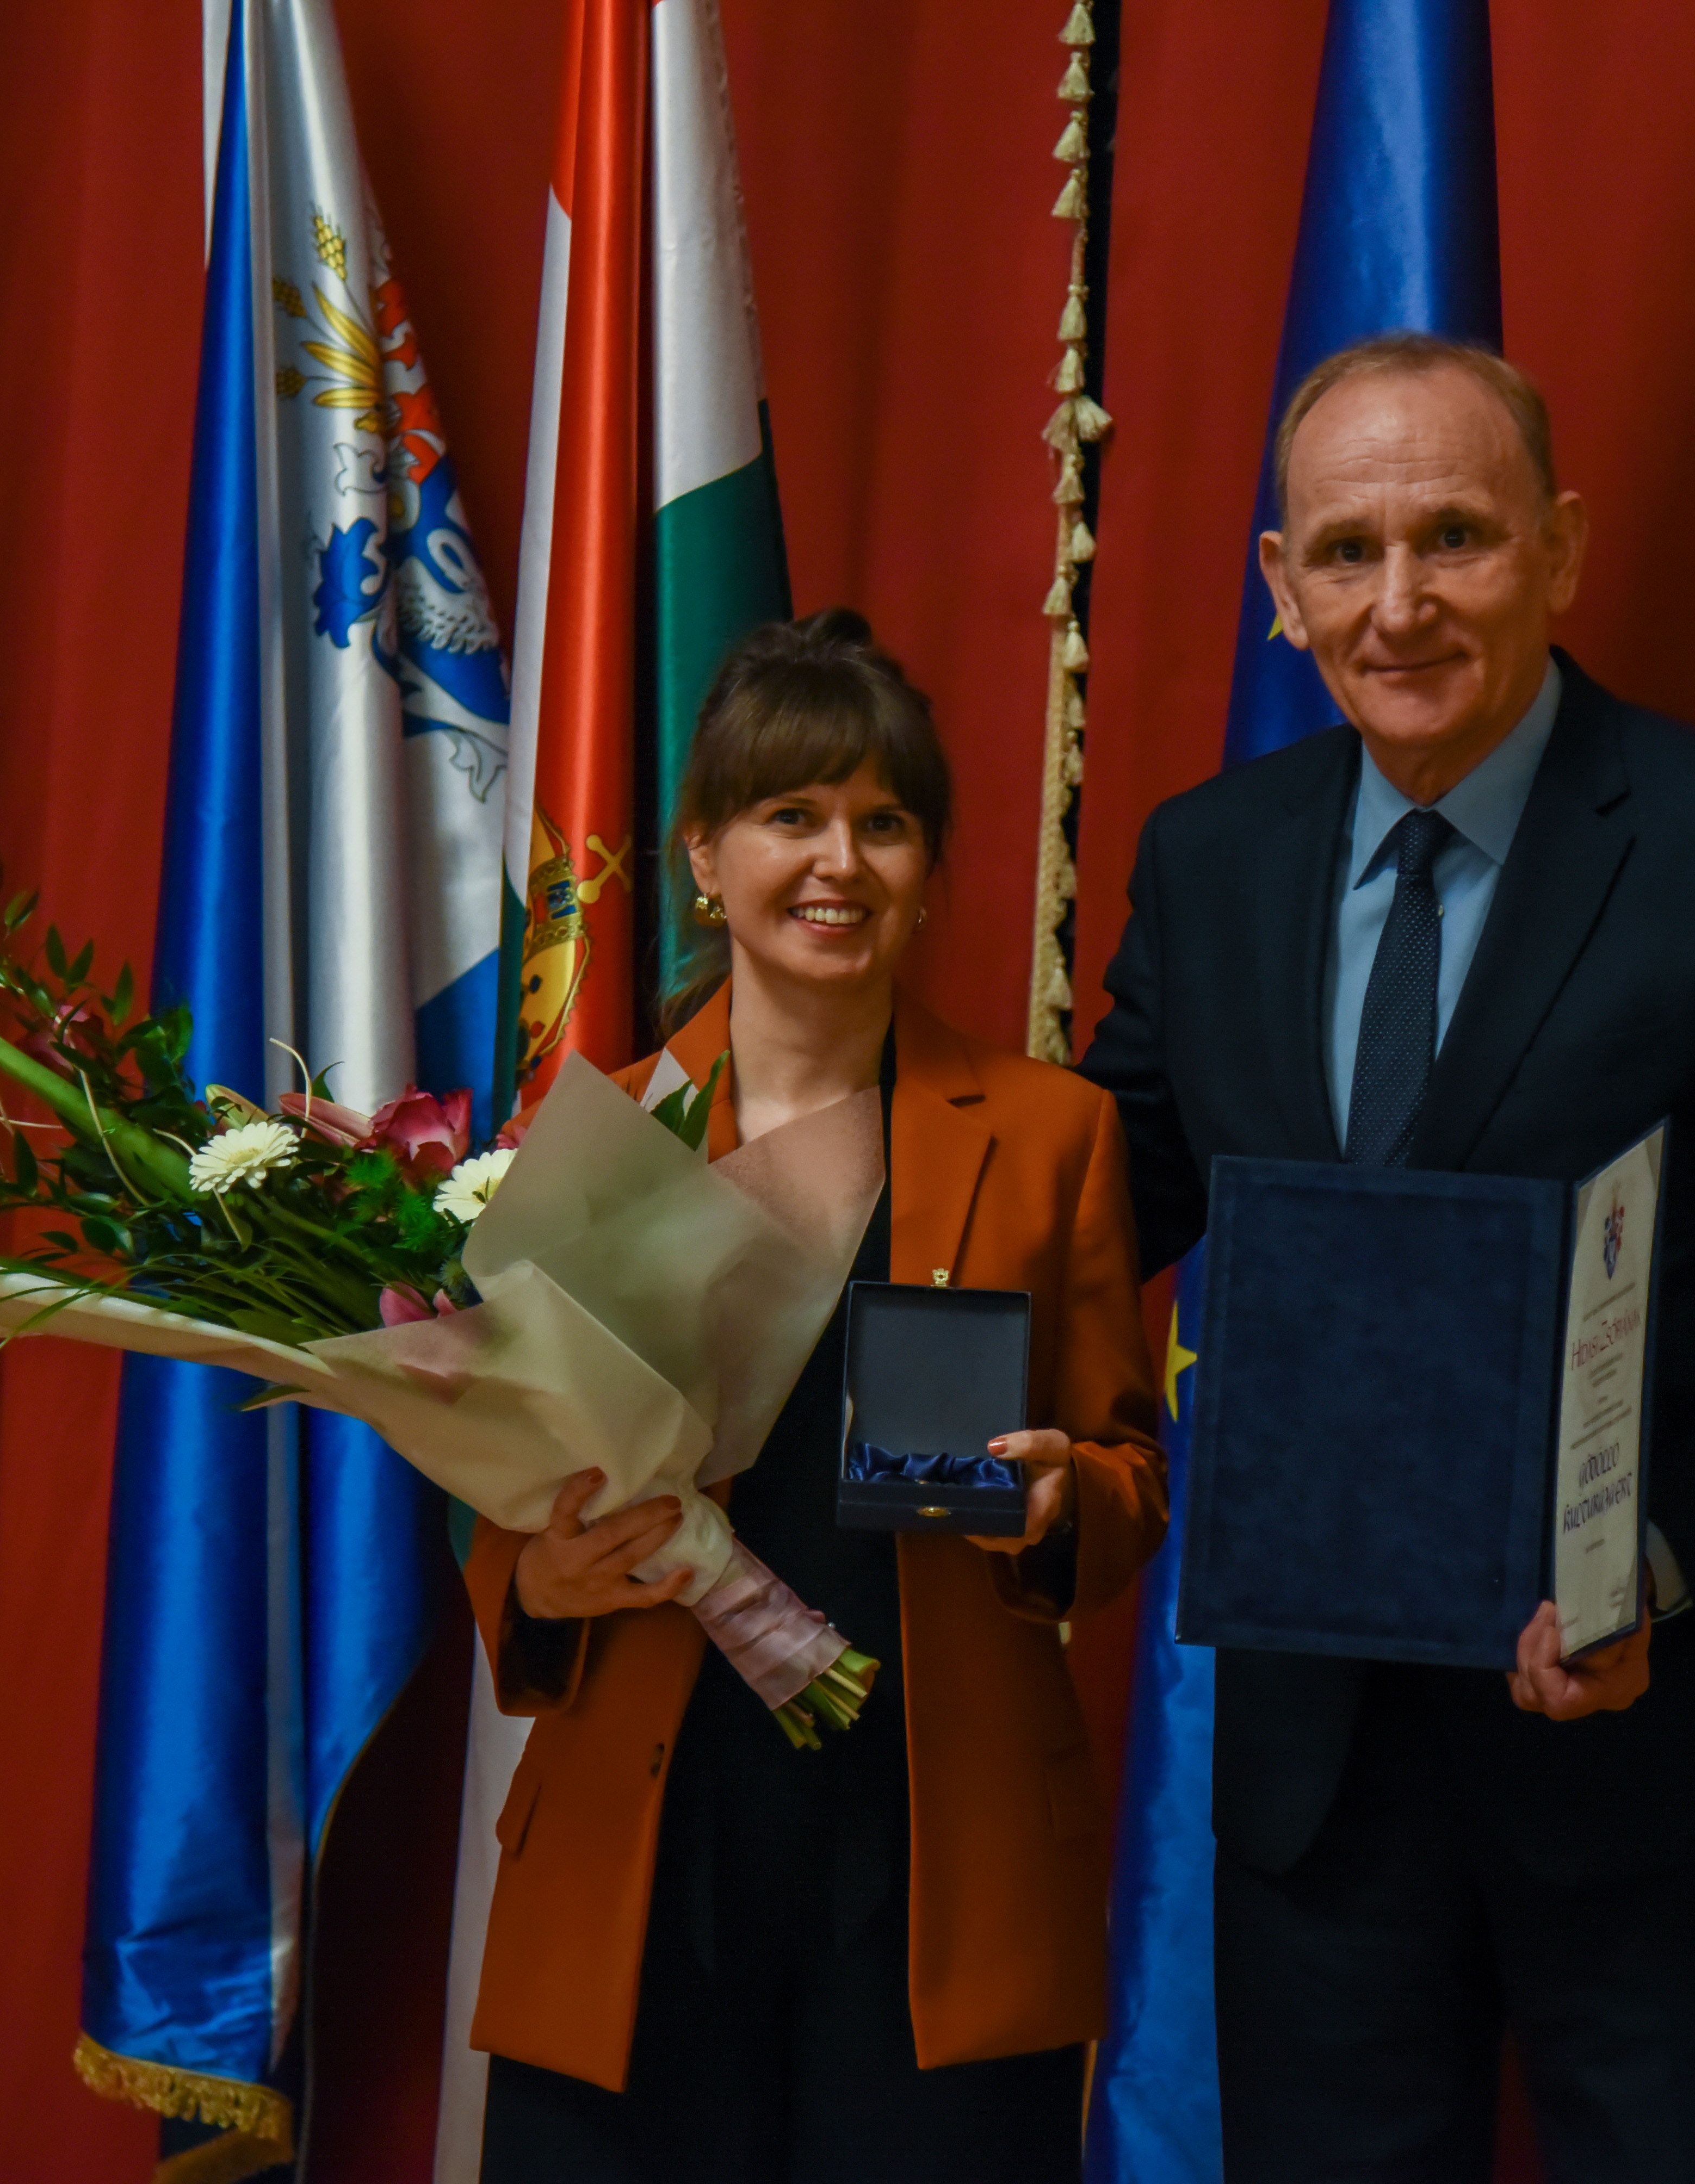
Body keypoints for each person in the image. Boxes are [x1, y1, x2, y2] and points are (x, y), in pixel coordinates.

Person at [1078, 332, 1695, 2181]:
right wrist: (768, 1203)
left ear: (1560, 548)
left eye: (1456, 538)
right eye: (1346, 552)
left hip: (1666, 1772)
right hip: (1322, 1791)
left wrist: (1653, 1561)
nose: (1397, 604)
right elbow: (1093, 1213)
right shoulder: (1208, 861)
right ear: (1281, 587)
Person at [464, 607, 1168, 2184]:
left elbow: (1129, 1471)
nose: (840, 862)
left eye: (884, 822)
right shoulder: (600, 1132)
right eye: (792, 815)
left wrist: (1066, 1501)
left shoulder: (1052, 1133)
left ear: (927, 866)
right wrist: (540, 1579)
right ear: (704, 859)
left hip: (937, 1861)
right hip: (647, 1850)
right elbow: (498, 1487)